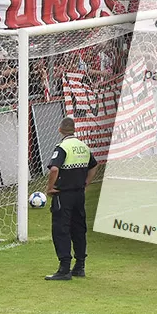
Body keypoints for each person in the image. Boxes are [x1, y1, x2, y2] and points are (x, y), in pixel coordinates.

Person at [44, 116, 99, 281]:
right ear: (74, 130)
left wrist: (50, 188)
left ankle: (64, 269)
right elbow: (95, 165)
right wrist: (86, 183)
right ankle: (80, 266)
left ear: (60, 130)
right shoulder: (83, 147)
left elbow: (54, 169)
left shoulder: (62, 147)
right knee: (78, 228)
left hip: (64, 195)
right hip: (79, 195)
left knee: (61, 229)